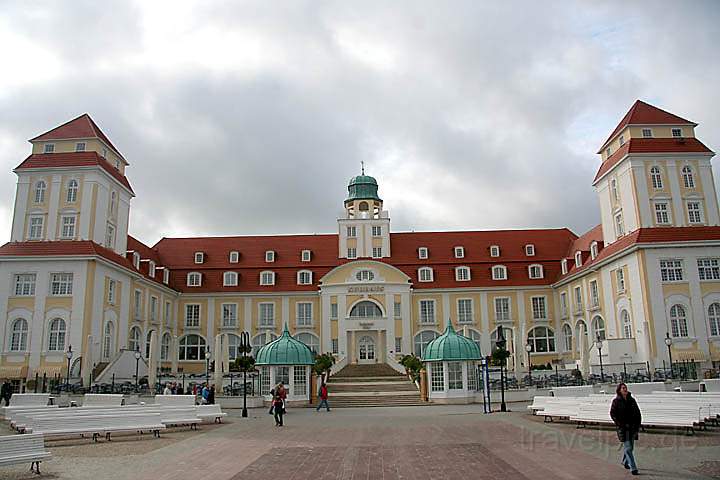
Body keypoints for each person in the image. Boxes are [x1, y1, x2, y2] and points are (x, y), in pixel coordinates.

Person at [610, 383, 642, 476]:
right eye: (623, 388)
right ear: (619, 390)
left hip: (632, 427)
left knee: (630, 448)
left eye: (625, 388)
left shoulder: (632, 400)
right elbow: (613, 414)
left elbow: (637, 412)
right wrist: (619, 424)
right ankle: (633, 468)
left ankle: (625, 461)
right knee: (628, 448)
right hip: (623, 428)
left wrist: (637, 424)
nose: (625, 389)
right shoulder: (616, 401)